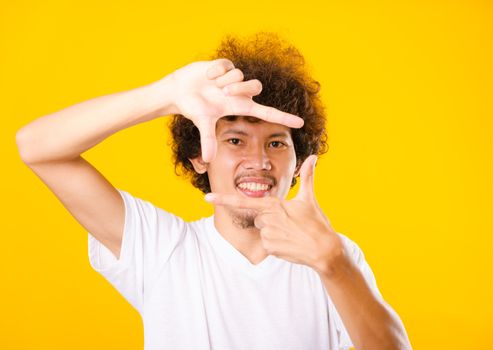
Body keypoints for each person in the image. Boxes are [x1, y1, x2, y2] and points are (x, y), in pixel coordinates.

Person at [16, 32, 411, 350]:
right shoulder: (161, 248)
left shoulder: (334, 255)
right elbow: (37, 148)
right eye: (236, 141)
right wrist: (165, 95)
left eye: (276, 143)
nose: (258, 160)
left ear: (298, 160)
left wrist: (335, 265)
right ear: (199, 157)